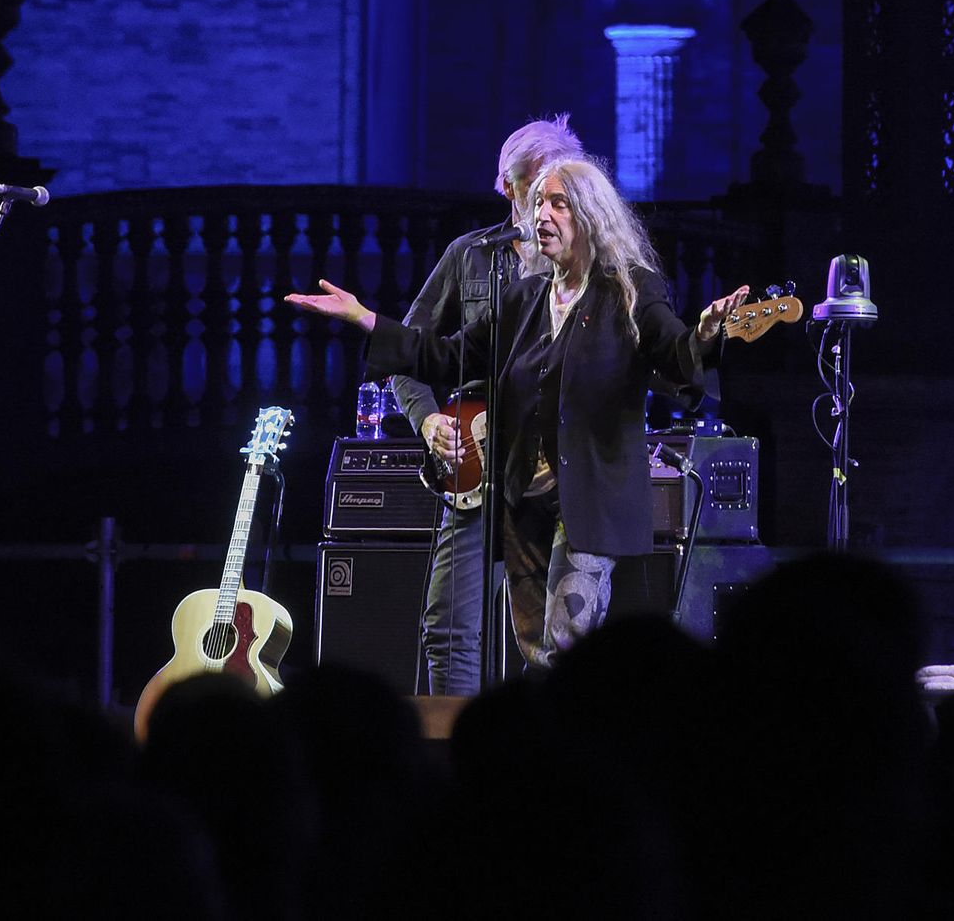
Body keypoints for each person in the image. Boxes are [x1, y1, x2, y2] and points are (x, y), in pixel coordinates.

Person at [290, 157, 748, 668]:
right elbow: (445, 356)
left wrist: (707, 332)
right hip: (523, 501)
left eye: (559, 204)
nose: (542, 216)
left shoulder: (629, 290)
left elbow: (673, 351)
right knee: (536, 653)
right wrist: (365, 317)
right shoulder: (524, 299)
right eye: (537, 205)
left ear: (591, 216)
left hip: (588, 501)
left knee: (567, 644)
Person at [392, 116, 584, 696]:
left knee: (557, 640)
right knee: (448, 625)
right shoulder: (471, 256)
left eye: (561, 185)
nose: (545, 199)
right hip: (479, 467)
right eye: (533, 183)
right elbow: (410, 351)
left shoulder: (592, 263)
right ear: (509, 185)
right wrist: (427, 419)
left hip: (559, 474)